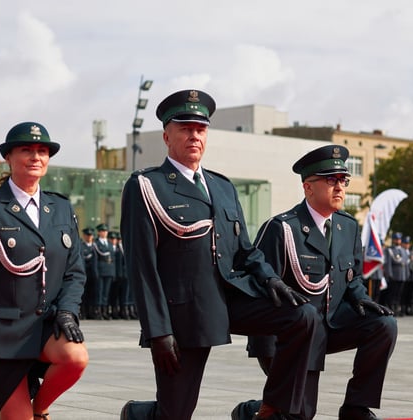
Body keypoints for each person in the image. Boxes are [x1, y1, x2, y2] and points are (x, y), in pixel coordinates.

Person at [120, 89, 319, 420]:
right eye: (185, 128)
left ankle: (270, 408)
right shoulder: (146, 186)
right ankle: (138, 415)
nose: (194, 136)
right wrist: (158, 331)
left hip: (233, 298)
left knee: (303, 316)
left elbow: (244, 250)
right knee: (176, 413)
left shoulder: (222, 186)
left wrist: (270, 279)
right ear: (167, 135)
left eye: (200, 129)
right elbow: (142, 267)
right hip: (186, 312)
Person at [243, 144, 397, 420]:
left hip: (333, 325)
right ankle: (250, 412)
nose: (339, 187)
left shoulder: (347, 226)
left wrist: (361, 298)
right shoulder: (282, 229)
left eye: (343, 180)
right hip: (294, 338)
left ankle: (356, 408)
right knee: (300, 415)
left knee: (384, 325)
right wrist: (270, 360)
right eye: (330, 180)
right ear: (308, 187)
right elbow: (260, 293)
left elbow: (352, 280)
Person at [0, 122, 88, 420]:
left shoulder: (60, 208)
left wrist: (67, 311)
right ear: (9, 157)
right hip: (4, 336)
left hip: (45, 329)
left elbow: (74, 272)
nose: (35, 157)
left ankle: (38, 409)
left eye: (42, 151)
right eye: (26, 150)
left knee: (76, 357)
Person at [383, 232, 409, 316]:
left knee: (399, 293)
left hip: (402, 275)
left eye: (399, 239)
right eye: (396, 239)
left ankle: (397, 307)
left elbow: (406, 264)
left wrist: (406, 274)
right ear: (393, 240)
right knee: (392, 293)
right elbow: (388, 264)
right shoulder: (389, 250)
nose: (398, 241)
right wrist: (389, 274)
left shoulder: (403, 250)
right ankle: (391, 308)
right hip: (394, 275)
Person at [93, 223, 115, 320]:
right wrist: (96, 272)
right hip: (101, 270)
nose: (104, 233)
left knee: (106, 292)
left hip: (109, 270)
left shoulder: (110, 244)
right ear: (99, 232)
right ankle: (99, 311)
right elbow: (95, 260)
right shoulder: (96, 244)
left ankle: (105, 311)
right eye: (102, 231)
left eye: (106, 231)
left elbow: (113, 259)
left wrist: (113, 272)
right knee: (99, 292)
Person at [79, 227, 98, 319]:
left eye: (90, 235)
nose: (89, 237)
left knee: (92, 294)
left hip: (93, 274)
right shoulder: (81, 246)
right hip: (84, 273)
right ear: (84, 236)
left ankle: (91, 312)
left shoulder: (95, 247)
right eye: (87, 235)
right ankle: (83, 312)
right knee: (84, 294)